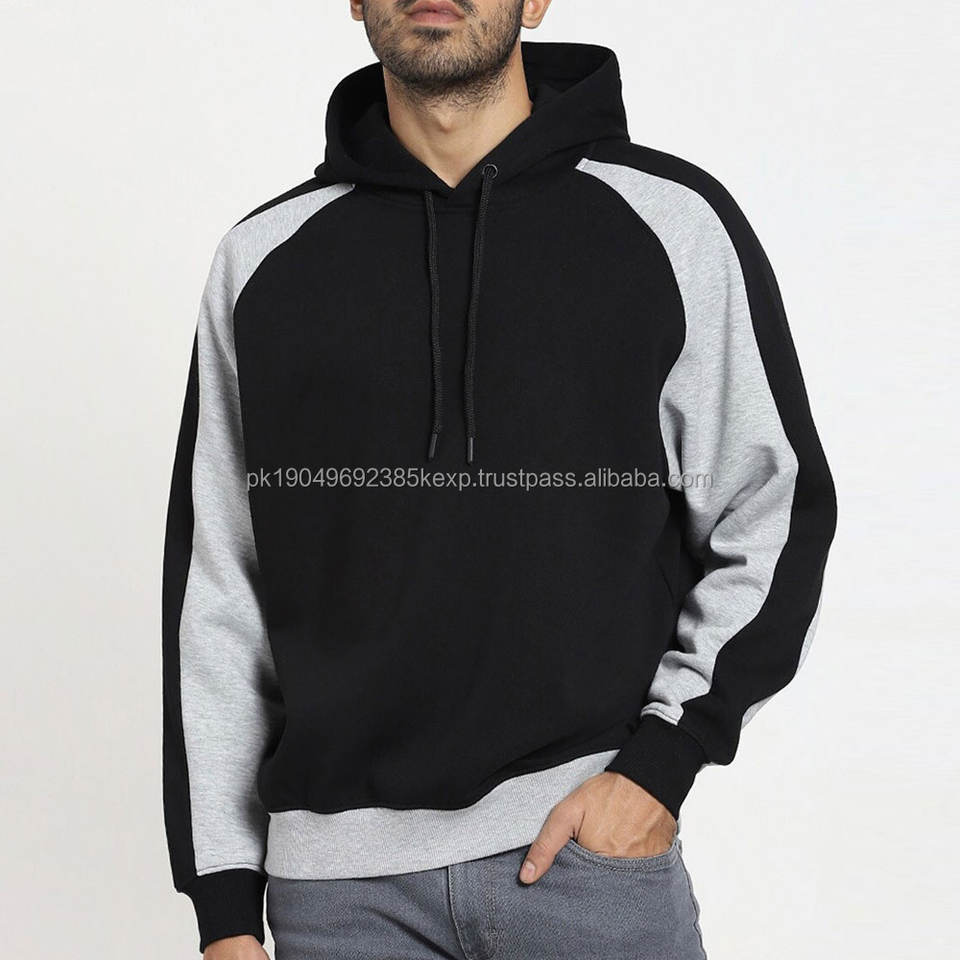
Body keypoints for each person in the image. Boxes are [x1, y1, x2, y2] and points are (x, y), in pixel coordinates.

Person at [162, 1, 837, 957]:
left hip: (585, 857)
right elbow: (219, 594)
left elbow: (772, 507)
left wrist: (663, 762)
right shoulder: (262, 261)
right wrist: (225, 904)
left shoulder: (669, 222)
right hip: (337, 899)